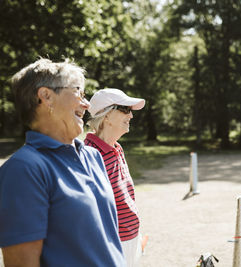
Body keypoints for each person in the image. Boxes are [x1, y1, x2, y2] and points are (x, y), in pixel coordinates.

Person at [0, 59, 126, 267]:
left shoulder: (93, 157)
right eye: (79, 93)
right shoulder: (24, 169)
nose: (86, 105)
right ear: (46, 96)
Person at [85, 88, 145, 267]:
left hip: (131, 237)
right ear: (106, 116)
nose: (131, 116)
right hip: (112, 243)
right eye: (125, 109)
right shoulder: (89, 153)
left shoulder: (117, 148)